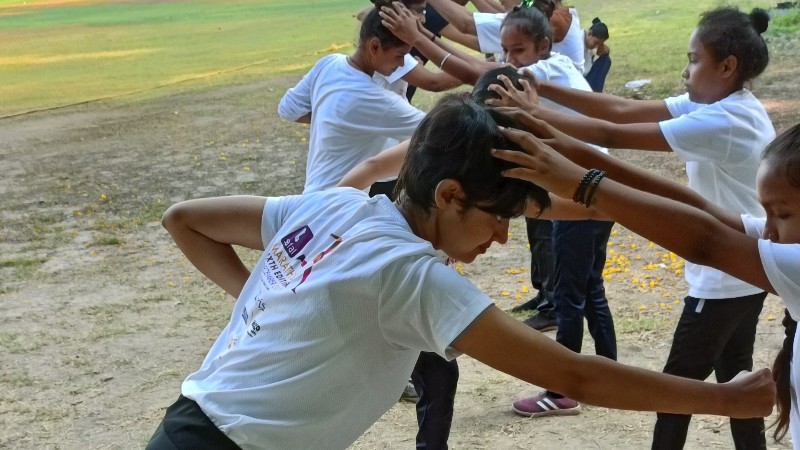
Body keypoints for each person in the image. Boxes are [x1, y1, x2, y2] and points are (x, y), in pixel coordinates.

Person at [146, 94, 776, 450]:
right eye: (498, 217)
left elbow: (185, 220)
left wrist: (275, 295)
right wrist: (727, 399)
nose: (504, 236)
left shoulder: (334, 203)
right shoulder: (410, 277)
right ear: (449, 195)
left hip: (189, 425)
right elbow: (571, 372)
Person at [488, 6, 774, 448]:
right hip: (742, 267)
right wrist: (539, 87)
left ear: (727, 66)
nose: (685, 70)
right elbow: (621, 108)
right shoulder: (725, 102)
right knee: (735, 380)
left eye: (694, 58)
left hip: (722, 277)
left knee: (676, 393)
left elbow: (610, 133)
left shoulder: (725, 120)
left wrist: (536, 117)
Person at [277, 2, 426, 194]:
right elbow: (440, 130)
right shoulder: (373, 98)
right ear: (374, 46)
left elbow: (288, 108)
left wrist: (335, 120)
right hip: (338, 210)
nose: (403, 64)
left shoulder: (329, 64)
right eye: (400, 55)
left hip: (312, 196)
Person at [583, 17, 610, 92]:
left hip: (587, 76)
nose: (597, 46)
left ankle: (597, 94)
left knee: (606, 60)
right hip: (578, 79)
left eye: (600, 44)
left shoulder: (591, 42)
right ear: (589, 33)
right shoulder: (578, 42)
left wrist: (602, 47)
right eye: (596, 42)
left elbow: (606, 51)